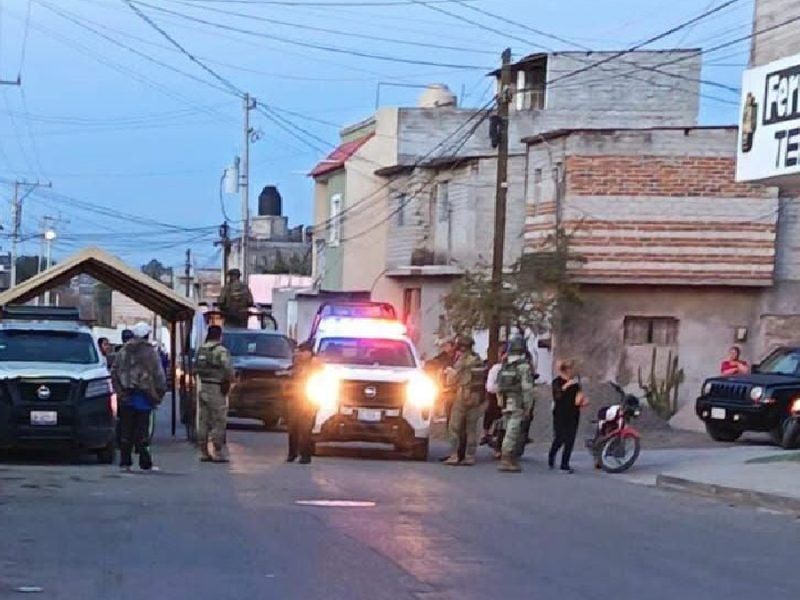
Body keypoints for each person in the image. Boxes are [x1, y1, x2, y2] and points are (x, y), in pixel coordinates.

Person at [112, 322, 167, 472]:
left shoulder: (123, 351)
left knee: (125, 430)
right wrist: (159, 394)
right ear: (147, 335)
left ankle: (125, 462)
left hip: (125, 396)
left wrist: (120, 391)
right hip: (144, 398)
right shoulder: (150, 352)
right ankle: (145, 462)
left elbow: (114, 372)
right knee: (142, 432)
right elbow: (159, 375)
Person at [194, 325, 235, 463]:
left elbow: (196, 368)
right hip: (216, 388)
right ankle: (218, 452)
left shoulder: (201, 349)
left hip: (203, 386)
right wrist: (230, 380)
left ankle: (203, 451)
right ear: (219, 335)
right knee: (218, 420)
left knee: (203, 421)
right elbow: (228, 369)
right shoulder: (220, 350)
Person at [443, 336, 486, 466]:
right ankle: (470, 456)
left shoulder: (463, 361)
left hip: (463, 395)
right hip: (476, 396)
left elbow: (454, 379)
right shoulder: (478, 360)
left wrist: (448, 372)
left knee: (454, 427)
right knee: (471, 428)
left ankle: (454, 456)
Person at [496, 337, 535, 473]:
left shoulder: (506, 364)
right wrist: (528, 406)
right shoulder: (523, 366)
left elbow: (499, 386)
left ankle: (508, 457)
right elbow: (527, 388)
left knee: (508, 430)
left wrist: (500, 402)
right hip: (517, 402)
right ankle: (507, 459)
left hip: (506, 401)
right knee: (513, 431)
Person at [548, 360, 588, 474]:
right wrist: (567, 385)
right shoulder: (556, 382)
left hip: (573, 413)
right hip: (560, 413)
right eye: (571, 369)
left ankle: (564, 465)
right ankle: (552, 455)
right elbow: (557, 396)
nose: (573, 372)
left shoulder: (576, 384)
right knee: (560, 437)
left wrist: (583, 400)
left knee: (570, 439)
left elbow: (578, 398)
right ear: (565, 370)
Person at [287, 341, 318, 464]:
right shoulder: (296, 363)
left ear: (309, 353)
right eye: (300, 351)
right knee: (293, 427)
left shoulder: (315, 365)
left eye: (303, 351)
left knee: (305, 429)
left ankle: (305, 455)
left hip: (308, 400)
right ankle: (292, 453)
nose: (300, 354)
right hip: (294, 399)